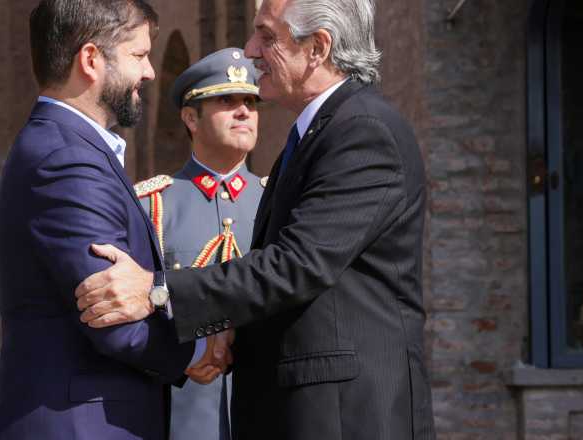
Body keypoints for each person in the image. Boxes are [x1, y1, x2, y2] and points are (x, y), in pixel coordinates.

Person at [74, 0, 435, 438]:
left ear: (318, 48)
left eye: (266, 36)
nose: (250, 50)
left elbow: (296, 265)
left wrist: (156, 290)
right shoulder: (320, 132)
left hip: (345, 417)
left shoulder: (362, 132)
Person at [0, 1, 227, 439]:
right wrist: (204, 348)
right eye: (137, 56)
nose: (149, 72)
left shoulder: (66, 148)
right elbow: (112, 316)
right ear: (91, 60)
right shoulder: (67, 160)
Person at [133, 47, 264, 440]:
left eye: (250, 102)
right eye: (227, 101)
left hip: (266, 413)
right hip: (180, 417)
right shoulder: (152, 205)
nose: (243, 111)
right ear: (191, 118)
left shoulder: (280, 201)